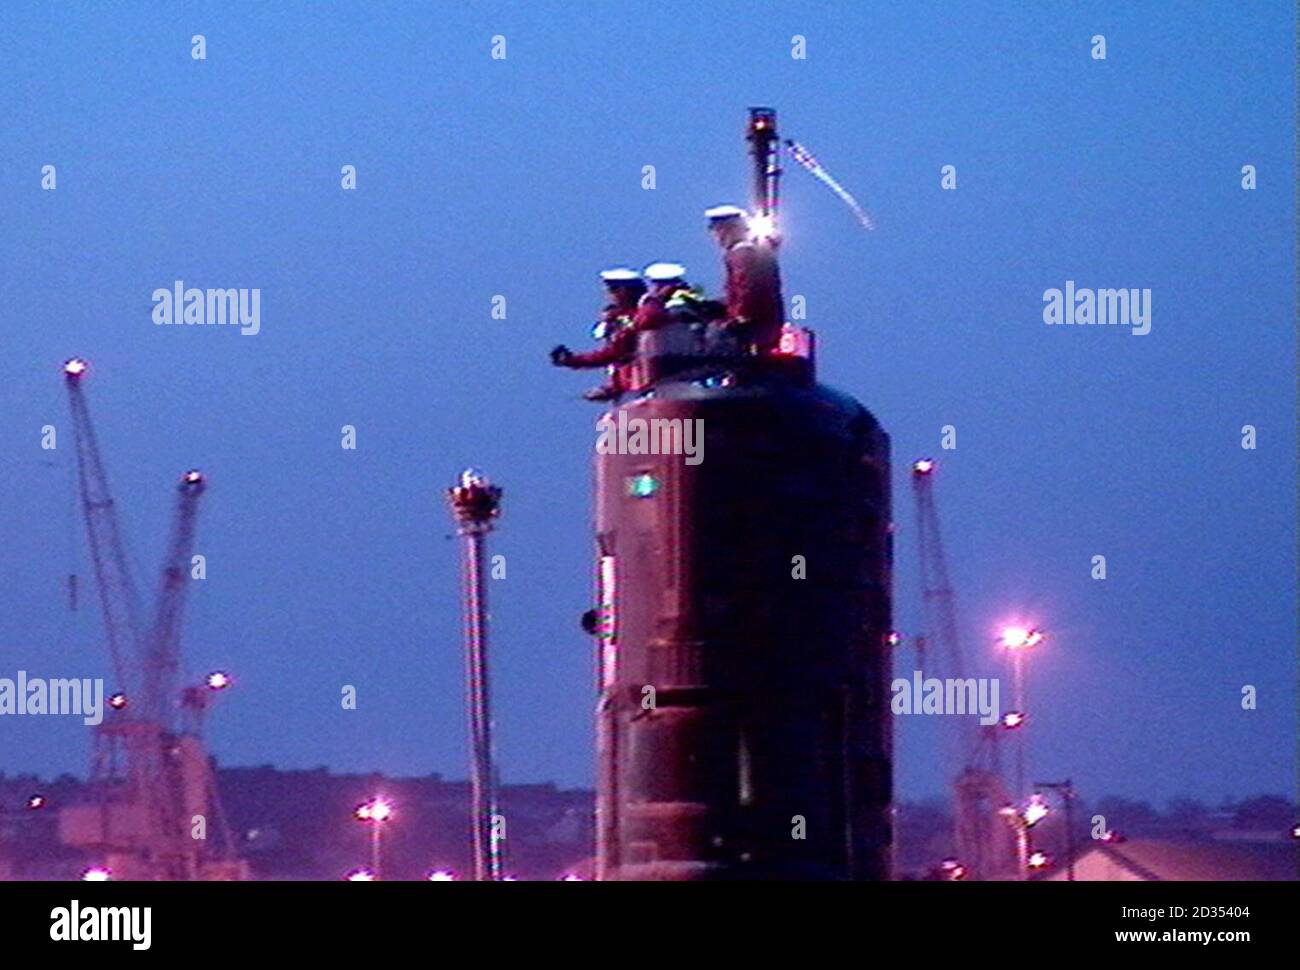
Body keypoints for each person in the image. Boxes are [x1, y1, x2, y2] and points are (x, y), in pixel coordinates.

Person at [551, 268, 647, 401]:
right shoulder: (620, 317)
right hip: (631, 387)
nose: (607, 294)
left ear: (624, 291)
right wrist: (610, 390)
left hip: (640, 389)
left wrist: (573, 360)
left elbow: (616, 354)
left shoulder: (635, 319)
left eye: (612, 289)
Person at [706, 204, 784, 354]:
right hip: (765, 327)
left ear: (729, 230)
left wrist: (740, 317)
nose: (718, 238)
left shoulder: (742, 253)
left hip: (754, 330)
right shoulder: (756, 250)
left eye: (719, 231)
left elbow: (747, 287)